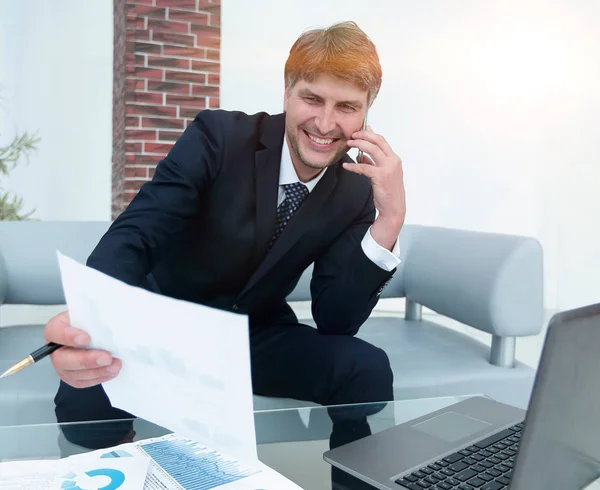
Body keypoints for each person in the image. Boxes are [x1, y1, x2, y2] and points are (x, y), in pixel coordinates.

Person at [45, 20, 406, 426]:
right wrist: (94, 316)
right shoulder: (218, 136)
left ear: (366, 112)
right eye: (312, 99)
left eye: (346, 107)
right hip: (163, 322)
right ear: (287, 93)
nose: (324, 124)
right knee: (85, 405)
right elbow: (138, 234)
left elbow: (336, 322)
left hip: (251, 336)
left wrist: (389, 220)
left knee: (365, 367)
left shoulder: (355, 189)